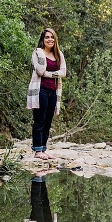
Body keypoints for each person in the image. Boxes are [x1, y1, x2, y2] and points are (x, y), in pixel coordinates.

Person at [27, 28, 67, 160]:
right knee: (40, 120)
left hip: (53, 91)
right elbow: (40, 71)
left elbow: (63, 72)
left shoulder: (58, 54)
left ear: (55, 39)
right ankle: (37, 150)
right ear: (43, 40)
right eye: (47, 37)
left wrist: (49, 74)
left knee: (48, 121)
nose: (50, 39)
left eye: (52, 37)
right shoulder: (37, 53)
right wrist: (42, 53)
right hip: (40, 90)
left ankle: (43, 149)